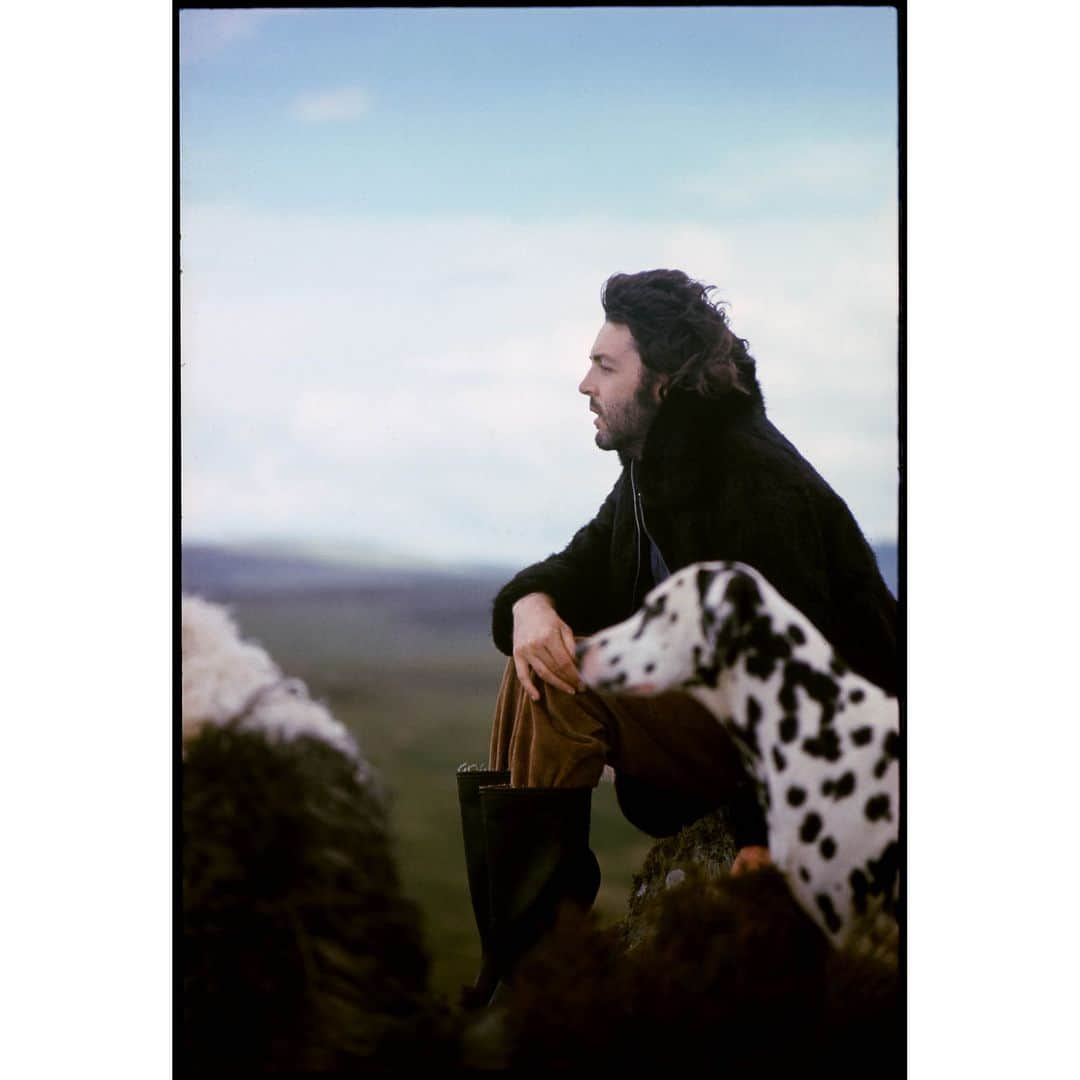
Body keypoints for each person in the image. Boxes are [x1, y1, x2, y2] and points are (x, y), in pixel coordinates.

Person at [457, 268, 898, 1008]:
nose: (583, 384)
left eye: (604, 366)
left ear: (660, 381)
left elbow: (797, 671)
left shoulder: (753, 480)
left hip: (844, 757)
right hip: (725, 726)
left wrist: (765, 839)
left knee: (566, 685)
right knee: (538, 665)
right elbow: (576, 567)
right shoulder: (650, 467)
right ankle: (519, 957)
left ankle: (539, 974)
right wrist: (531, 605)